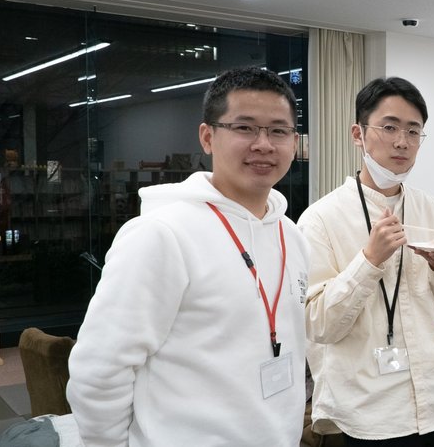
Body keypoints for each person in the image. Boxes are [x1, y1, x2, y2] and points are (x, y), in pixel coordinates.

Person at [66, 67, 309, 446]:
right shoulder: (161, 235)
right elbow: (100, 370)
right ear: (208, 137)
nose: (264, 144)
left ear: (294, 141)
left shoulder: (291, 234)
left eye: (279, 131)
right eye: (244, 128)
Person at [298, 76, 434, 446]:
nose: (402, 141)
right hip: (369, 410)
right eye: (389, 127)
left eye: (413, 131)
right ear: (358, 134)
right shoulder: (321, 219)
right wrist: (369, 261)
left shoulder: (430, 209)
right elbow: (318, 325)